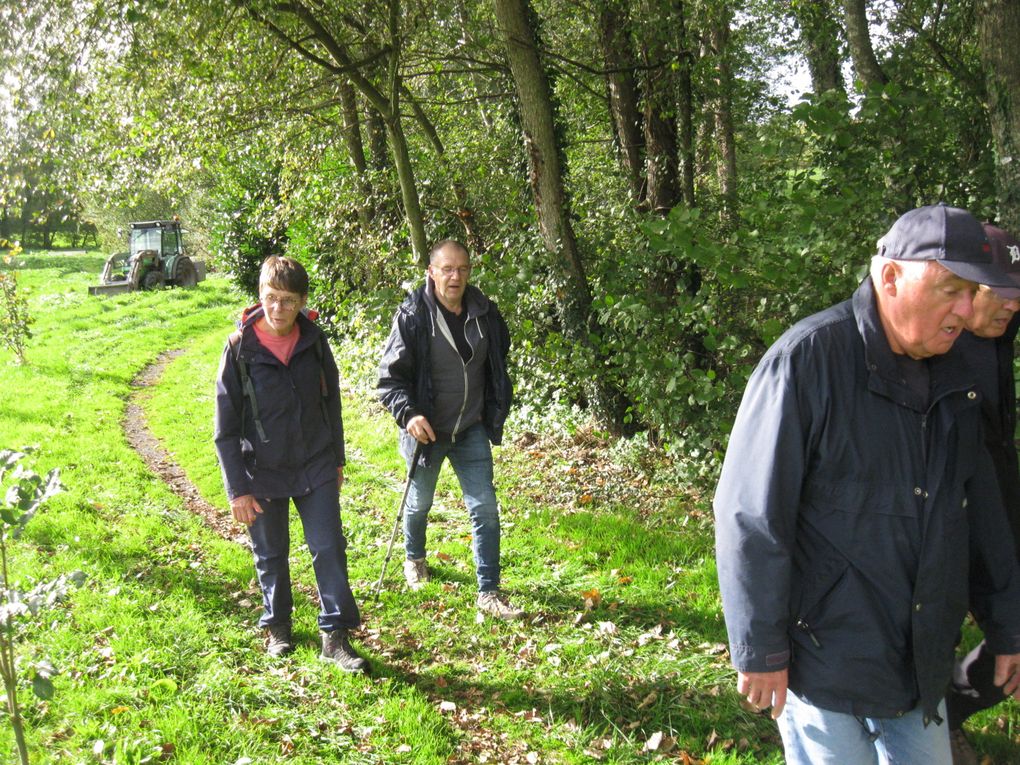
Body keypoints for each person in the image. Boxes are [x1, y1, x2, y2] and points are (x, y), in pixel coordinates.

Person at [713, 204, 1020, 764]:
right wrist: (759, 646)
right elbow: (751, 513)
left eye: (970, 292)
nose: (963, 310)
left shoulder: (959, 381)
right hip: (824, 659)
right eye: (950, 288)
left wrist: (1006, 627)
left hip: (918, 666)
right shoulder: (808, 360)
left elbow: (981, 517)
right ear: (890, 275)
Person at [214, 256, 367, 672]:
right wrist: (237, 489)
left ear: (301, 302)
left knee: (329, 546)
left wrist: (336, 459)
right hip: (260, 470)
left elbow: (330, 402)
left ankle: (334, 637)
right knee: (271, 552)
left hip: (315, 463)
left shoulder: (315, 343)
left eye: (287, 300)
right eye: (270, 298)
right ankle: (278, 625)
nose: (277, 308)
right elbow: (225, 429)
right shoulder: (238, 349)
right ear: (259, 296)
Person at [376, 239, 523, 620]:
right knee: (419, 502)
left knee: (485, 508)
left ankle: (489, 592)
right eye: (446, 269)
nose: (455, 276)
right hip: (427, 432)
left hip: (470, 427)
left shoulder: (485, 313)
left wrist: (495, 406)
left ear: (469, 272)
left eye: (462, 269)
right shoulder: (412, 315)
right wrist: (409, 415)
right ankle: (414, 557)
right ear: (431, 272)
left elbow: (498, 362)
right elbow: (389, 379)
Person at [945, 224, 1020, 764]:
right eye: (1004, 293)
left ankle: (948, 708)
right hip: (948, 516)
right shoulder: (932, 346)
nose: (1014, 306)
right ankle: (933, 718)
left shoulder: (997, 332)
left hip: (999, 499)